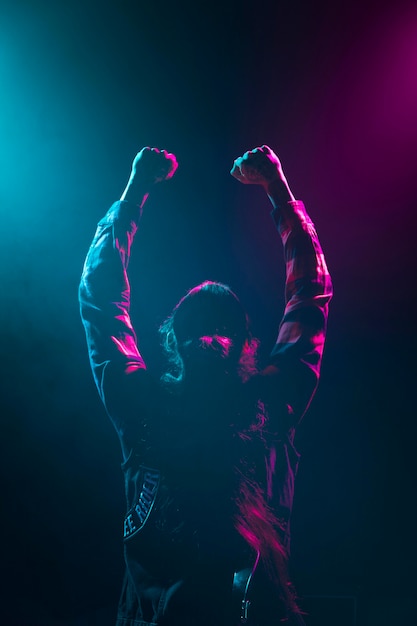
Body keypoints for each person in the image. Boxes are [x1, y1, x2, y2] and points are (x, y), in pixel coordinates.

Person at [79, 145, 332, 626]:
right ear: (175, 342)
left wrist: (280, 190)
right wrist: (132, 195)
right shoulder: (143, 404)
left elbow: (310, 295)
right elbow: (99, 301)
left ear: (244, 345)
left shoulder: (270, 405)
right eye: (197, 326)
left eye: (223, 327)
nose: (209, 338)